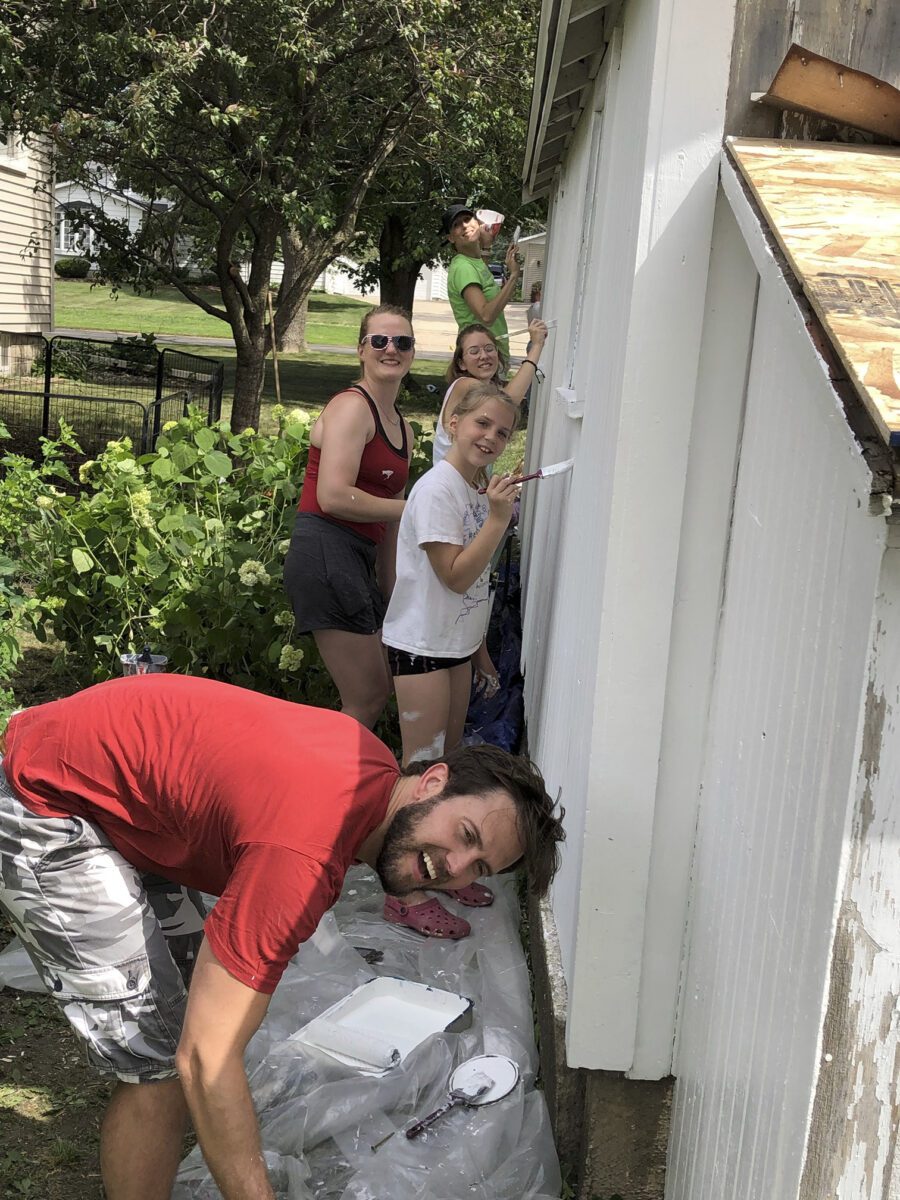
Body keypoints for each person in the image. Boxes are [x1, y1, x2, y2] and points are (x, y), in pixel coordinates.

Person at [0, 673, 564, 1200]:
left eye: (479, 867)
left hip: (110, 784)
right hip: (45, 799)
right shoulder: (304, 852)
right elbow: (208, 1057)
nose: (455, 868)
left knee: (183, 1031)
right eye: (464, 834)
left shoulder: (371, 769)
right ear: (433, 783)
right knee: (163, 1064)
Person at [380, 384, 523, 939]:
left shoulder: (474, 487)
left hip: (456, 645)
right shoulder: (440, 488)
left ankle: (444, 866)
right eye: (481, 424)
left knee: (453, 762)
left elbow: (478, 588)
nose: (490, 437)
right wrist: (497, 520)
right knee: (420, 771)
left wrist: (480, 650)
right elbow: (456, 574)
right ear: (455, 422)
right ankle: (406, 893)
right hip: (421, 645)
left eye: (503, 432)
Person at [283, 304, 415, 730]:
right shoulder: (351, 406)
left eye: (402, 342)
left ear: (413, 353)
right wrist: (417, 508)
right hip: (325, 548)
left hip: (358, 556)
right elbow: (334, 496)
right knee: (367, 694)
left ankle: (339, 781)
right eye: (380, 340)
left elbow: (391, 524)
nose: (390, 349)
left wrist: (391, 592)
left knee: (378, 687)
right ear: (361, 350)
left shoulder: (404, 429)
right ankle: (325, 788)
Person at [433, 320, 547, 467]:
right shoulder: (464, 384)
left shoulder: (490, 389)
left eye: (489, 348)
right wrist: (537, 345)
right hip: (450, 484)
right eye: (474, 351)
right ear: (461, 363)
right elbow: (507, 402)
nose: (484, 355)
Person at [443, 204, 520, 359]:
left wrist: (486, 246)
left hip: (488, 353)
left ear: (477, 222)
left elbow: (481, 277)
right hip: (480, 357)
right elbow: (486, 316)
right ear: (450, 237)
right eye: (456, 225)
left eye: (467, 219)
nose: (464, 226)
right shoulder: (463, 267)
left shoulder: (473, 262)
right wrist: (514, 275)